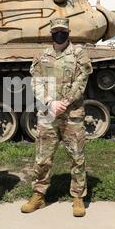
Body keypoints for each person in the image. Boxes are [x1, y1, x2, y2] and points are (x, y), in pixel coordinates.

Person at [21, 18, 93, 217]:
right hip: (48, 114)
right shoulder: (42, 55)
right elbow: (35, 81)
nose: (59, 33)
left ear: (68, 31)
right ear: (51, 33)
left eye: (62, 30)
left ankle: (78, 196)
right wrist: (49, 102)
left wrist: (65, 102)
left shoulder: (79, 54)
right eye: (56, 31)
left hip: (72, 114)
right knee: (42, 158)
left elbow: (82, 80)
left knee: (77, 157)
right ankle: (38, 195)